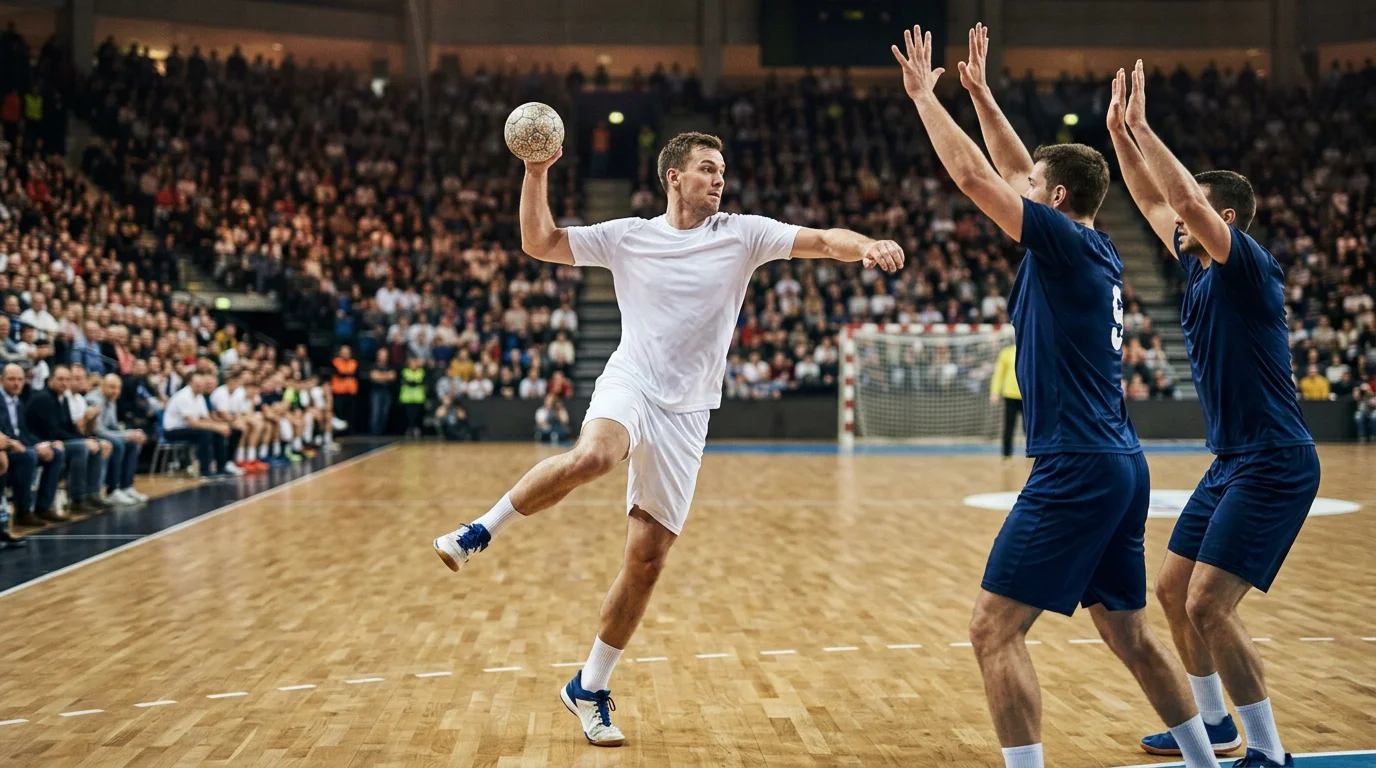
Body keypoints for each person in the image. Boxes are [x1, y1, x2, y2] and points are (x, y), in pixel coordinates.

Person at [432, 130, 904, 747]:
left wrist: (866, 245)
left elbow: (820, 240)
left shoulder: (744, 233)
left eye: (723, 171)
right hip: (632, 380)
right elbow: (539, 242)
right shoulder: (629, 236)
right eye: (708, 169)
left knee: (647, 562)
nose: (719, 179)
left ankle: (589, 687)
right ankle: (480, 530)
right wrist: (535, 171)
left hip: (689, 413)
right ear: (674, 177)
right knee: (596, 454)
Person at [894, 25, 1219, 768]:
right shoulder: (1090, 242)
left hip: (1075, 465)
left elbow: (979, 180)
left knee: (992, 630)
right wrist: (978, 94)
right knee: (1128, 633)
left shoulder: (1065, 245)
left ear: (1058, 199)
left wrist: (924, 98)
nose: (1024, 192)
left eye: (1035, 191)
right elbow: (1012, 168)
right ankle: (1207, 759)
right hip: (1117, 461)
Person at [1111, 61, 1319, 768]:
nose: (1179, 214)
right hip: (1233, 459)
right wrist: (1118, 135)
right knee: (1171, 591)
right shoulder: (1196, 263)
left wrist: (1144, 126)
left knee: (1208, 606)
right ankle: (1214, 727)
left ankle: (1269, 752)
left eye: (1195, 206)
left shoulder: (1246, 265)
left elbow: (1182, 202)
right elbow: (1152, 200)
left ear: (1222, 218)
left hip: (1276, 460)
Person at [26, 365, 110, 513]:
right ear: (51, 380)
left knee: (95, 446)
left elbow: (68, 427)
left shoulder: (62, 398)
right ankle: (77, 498)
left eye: (67, 379)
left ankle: (92, 493)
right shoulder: (44, 398)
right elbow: (53, 430)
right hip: (43, 441)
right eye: (60, 379)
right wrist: (83, 441)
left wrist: (87, 439)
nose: (64, 383)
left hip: (57, 439)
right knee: (81, 447)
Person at [0, 364, 64, 535]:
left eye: (20, 379)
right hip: (5, 449)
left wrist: (42, 444)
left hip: (17, 447)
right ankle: (23, 511)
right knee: (28, 456)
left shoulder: (18, 402)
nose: (16, 383)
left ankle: (43, 506)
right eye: (12, 379)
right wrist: (17, 445)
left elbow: (24, 432)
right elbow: (4, 434)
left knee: (55, 453)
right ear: (1, 380)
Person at [86, 373, 150, 505]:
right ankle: (112, 491)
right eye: (112, 387)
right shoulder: (94, 400)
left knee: (132, 443)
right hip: (91, 436)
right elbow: (98, 430)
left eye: (118, 388)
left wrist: (133, 433)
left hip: (105, 435)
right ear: (102, 386)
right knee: (118, 444)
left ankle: (126, 487)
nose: (115, 391)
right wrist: (126, 435)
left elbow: (114, 426)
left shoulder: (111, 400)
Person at [163, 372, 234, 478]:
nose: (201, 386)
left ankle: (221, 467)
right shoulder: (184, 396)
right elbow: (193, 423)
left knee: (217, 433)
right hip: (172, 431)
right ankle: (205, 470)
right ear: (190, 383)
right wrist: (217, 427)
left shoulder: (199, 396)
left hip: (187, 428)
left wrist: (220, 426)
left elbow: (206, 418)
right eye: (198, 384)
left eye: (202, 384)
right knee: (205, 433)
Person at [989, 339, 1021, 457]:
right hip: (1010, 395)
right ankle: (1006, 454)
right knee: (1009, 426)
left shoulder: (1030, 351)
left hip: (1027, 396)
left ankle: (1034, 455)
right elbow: (998, 374)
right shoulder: (1005, 353)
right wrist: (995, 392)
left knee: (1029, 428)